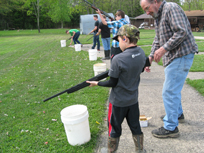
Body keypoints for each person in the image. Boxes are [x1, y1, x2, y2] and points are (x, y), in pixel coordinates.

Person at [86, 24, 150, 153]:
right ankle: (140, 150)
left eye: (119, 40)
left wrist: (97, 83)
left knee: (114, 126)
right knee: (135, 126)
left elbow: (112, 83)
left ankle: (111, 150)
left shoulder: (118, 59)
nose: (118, 43)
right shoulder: (141, 52)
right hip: (133, 100)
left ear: (125, 39)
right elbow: (143, 67)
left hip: (118, 102)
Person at [140, 0, 198, 138]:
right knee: (173, 89)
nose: (147, 12)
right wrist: (150, 58)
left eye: (147, 8)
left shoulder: (171, 8)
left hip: (181, 54)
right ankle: (177, 114)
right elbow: (157, 38)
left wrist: (163, 49)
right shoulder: (159, 15)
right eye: (145, 10)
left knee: (169, 91)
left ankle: (171, 127)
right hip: (174, 56)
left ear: (155, 1)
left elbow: (181, 31)